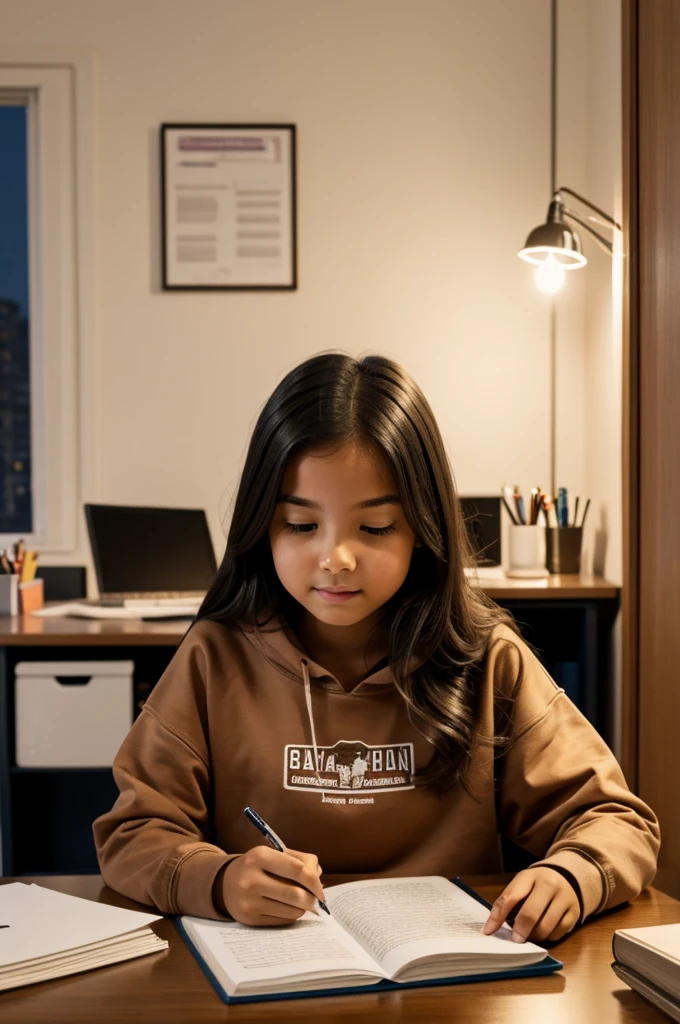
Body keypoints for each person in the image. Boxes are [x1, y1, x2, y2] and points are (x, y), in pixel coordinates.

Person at [94, 353, 659, 942]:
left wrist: (571, 876)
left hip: (452, 978)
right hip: (269, 978)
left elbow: (615, 820)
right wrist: (218, 879)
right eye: (301, 525)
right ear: (263, 527)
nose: (336, 558)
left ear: (422, 528)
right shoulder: (215, 658)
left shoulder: (488, 659)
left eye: (376, 527)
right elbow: (133, 832)